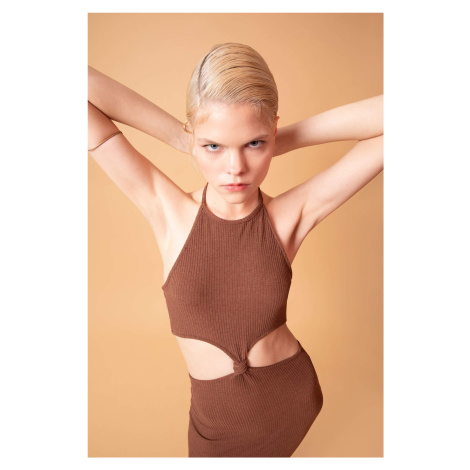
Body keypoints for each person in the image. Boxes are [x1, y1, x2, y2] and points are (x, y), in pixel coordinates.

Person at [88, 42, 383, 457]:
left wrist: (277, 138)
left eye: (253, 145)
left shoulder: (289, 216)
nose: (235, 168)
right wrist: (183, 138)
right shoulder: (168, 210)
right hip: (214, 429)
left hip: (289, 403)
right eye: (214, 146)